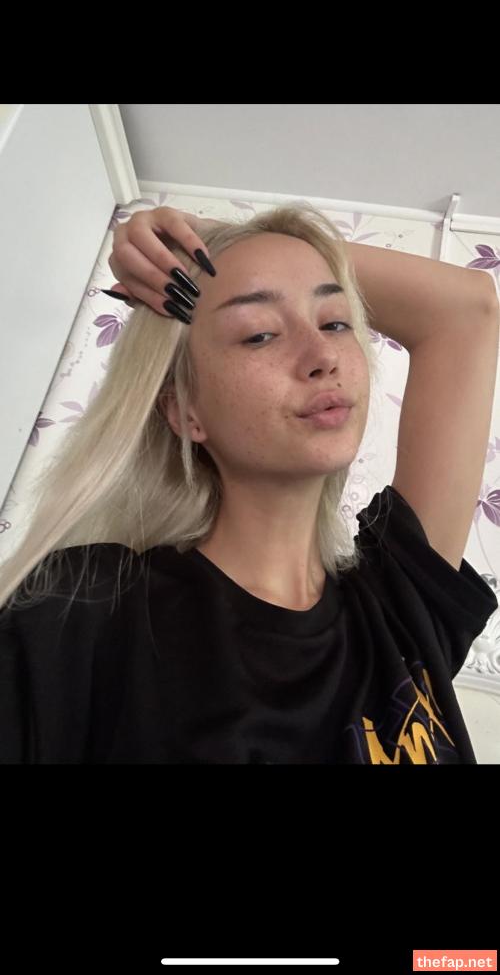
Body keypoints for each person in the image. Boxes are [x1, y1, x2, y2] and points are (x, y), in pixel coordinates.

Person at [0, 204, 496, 764]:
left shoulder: (398, 605)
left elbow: (466, 309)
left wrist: (213, 240)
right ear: (184, 409)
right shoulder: (88, 608)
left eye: (335, 322)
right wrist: (212, 255)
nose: (323, 356)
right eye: (260, 334)